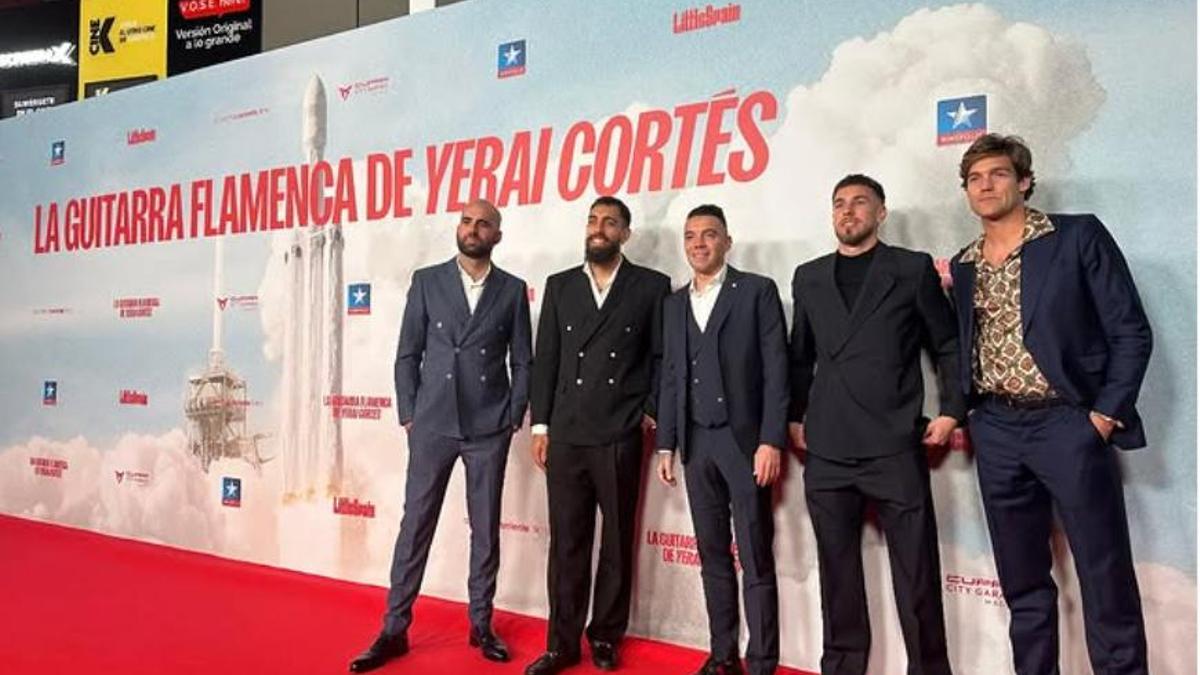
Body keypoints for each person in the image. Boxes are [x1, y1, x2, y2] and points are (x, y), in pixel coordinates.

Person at [949, 134, 1152, 675]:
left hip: (1069, 424)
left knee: (1103, 573)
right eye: (974, 178)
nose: (985, 185)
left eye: (997, 174)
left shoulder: (1075, 236)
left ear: (1024, 181)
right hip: (995, 429)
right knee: (1023, 581)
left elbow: (1130, 331)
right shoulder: (965, 264)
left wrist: (1102, 417)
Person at [349, 199, 532, 672]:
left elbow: (523, 361)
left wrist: (513, 416)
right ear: (459, 227)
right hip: (432, 425)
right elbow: (407, 353)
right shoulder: (427, 281)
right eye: (467, 221)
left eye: (483, 224)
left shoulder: (512, 291)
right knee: (415, 527)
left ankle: (481, 624)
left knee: (486, 529)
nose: (473, 229)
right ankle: (394, 629)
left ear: (497, 236)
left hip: (488, 427)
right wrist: (410, 412)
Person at [789, 175, 962, 675]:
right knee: (838, 576)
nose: (848, 212)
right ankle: (842, 666)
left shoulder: (911, 269)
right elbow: (800, 358)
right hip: (827, 449)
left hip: (894, 445)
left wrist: (951, 410)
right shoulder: (809, 276)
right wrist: (795, 417)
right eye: (839, 203)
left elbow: (946, 345)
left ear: (881, 212)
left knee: (917, 576)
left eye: (860, 203)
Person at [525, 195, 671, 675]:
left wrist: (647, 411)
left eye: (610, 222)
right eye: (592, 220)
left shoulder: (651, 286)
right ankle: (560, 643)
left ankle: (605, 636)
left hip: (619, 432)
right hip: (566, 432)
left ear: (625, 233)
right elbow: (545, 359)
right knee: (567, 541)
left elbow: (661, 358)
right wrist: (541, 423)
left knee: (616, 542)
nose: (599, 228)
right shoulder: (560, 285)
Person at [655, 204, 787, 675]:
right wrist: (666, 444)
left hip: (745, 444)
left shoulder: (756, 292)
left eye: (709, 235)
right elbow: (670, 376)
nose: (698, 244)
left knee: (754, 556)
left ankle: (763, 661)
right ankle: (722, 655)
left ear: (727, 241)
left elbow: (776, 373)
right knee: (712, 556)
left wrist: (771, 440)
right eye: (691, 236)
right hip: (696, 445)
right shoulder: (672, 304)